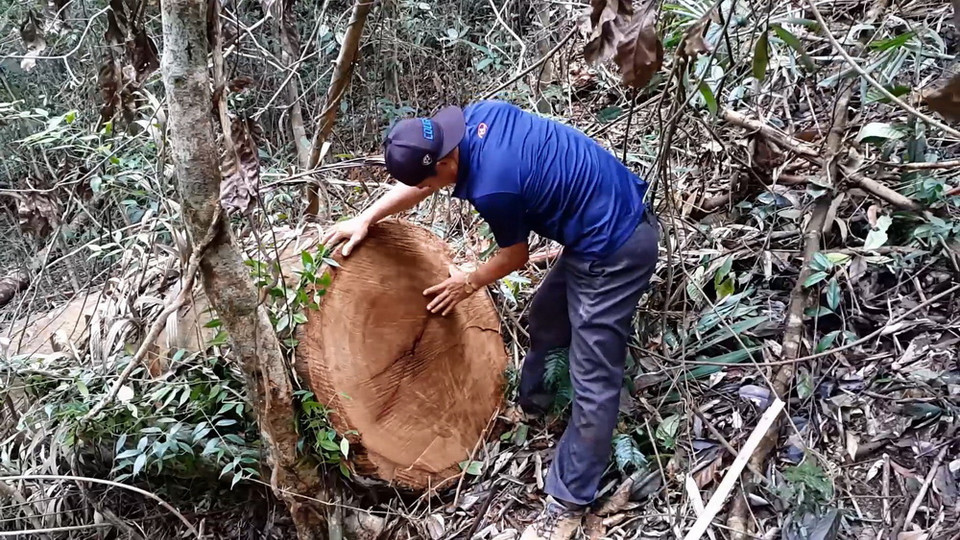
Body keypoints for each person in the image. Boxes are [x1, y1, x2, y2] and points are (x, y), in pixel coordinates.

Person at [321, 100, 659, 540]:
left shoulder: (494, 187)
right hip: (598, 219)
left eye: (431, 180)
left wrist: (467, 282)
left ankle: (569, 501)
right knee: (547, 319)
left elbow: (514, 257)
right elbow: (427, 183)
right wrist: (367, 217)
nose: (430, 189)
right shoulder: (474, 118)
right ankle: (536, 406)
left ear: (444, 161)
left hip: (616, 246)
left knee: (595, 377)